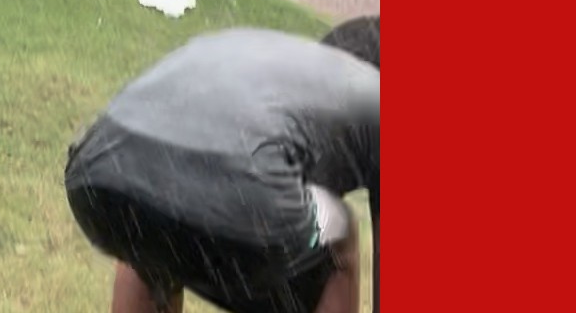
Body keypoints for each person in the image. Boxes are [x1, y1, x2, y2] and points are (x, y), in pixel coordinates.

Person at [65, 17, 379, 313]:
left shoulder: (291, 69)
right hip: (222, 184)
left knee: (156, 210)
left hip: (99, 172)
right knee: (339, 231)